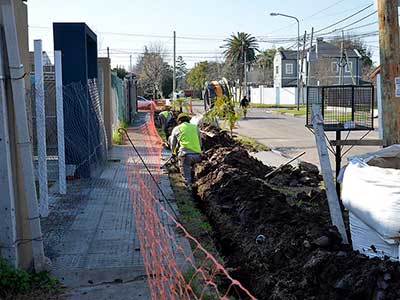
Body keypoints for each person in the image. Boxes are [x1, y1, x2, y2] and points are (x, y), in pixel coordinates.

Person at [168, 113, 202, 185]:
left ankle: (189, 187)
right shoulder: (195, 127)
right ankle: (194, 182)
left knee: (187, 176)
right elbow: (200, 142)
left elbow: (172, 143)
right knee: (193, 171)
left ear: (179, 121)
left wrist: (173, 153)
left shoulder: (177, 128)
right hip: (197, 155)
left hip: (185, 155)